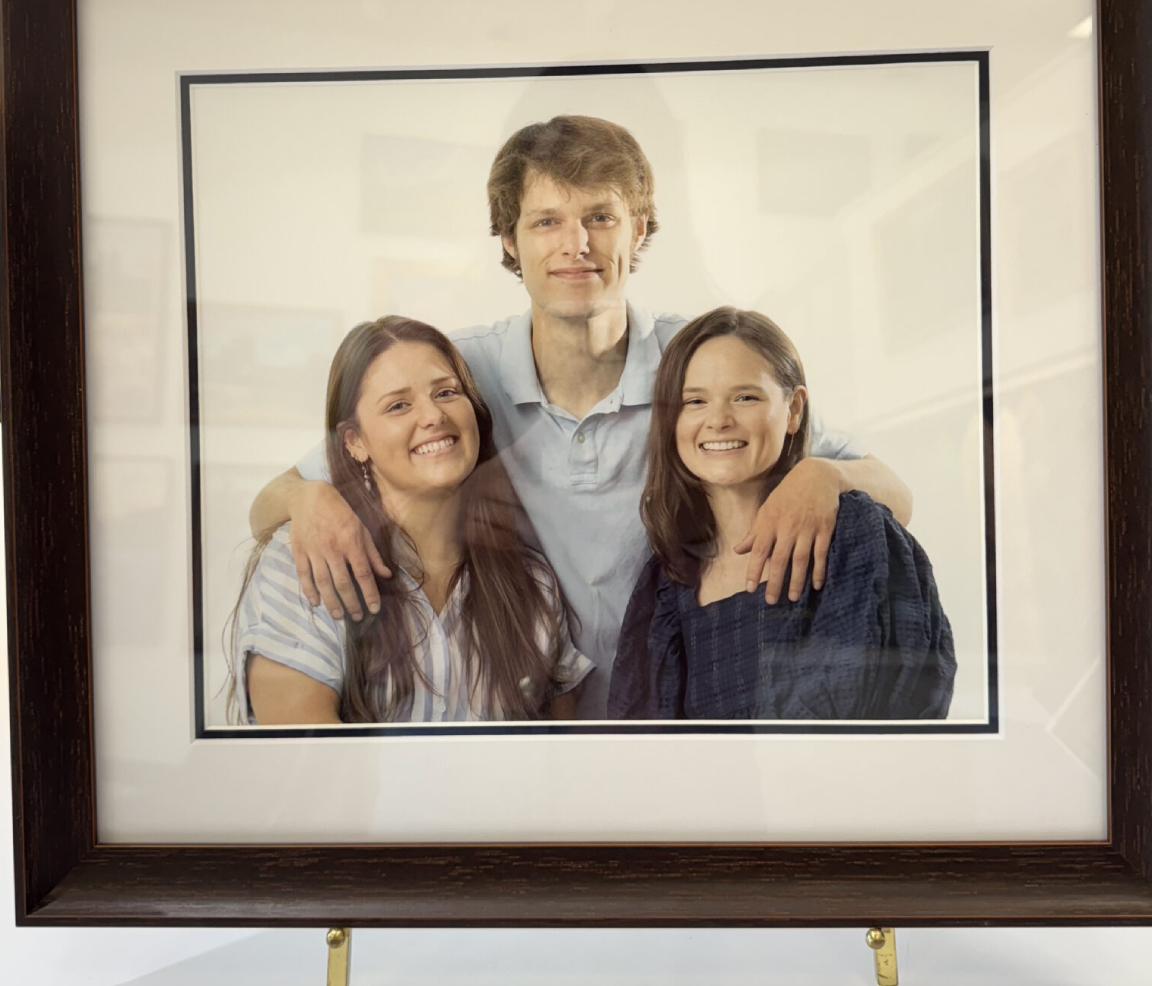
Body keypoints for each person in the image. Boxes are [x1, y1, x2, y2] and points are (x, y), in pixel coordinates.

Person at [248, 116, 914, 718]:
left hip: (680, 708)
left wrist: (823, 475)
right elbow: (267, 505)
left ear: (639, 229)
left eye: (600, 217)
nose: (577, 245)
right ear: (509, 241)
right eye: (546, 222)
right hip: (540, 714)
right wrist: (308, 498)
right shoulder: (457, 378)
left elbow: (895, 494)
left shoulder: (700, 365)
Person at [230, 316, 591, 725]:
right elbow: (303, 756)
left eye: (446, 392)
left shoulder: (532, 586)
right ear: (355, 442)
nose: (433, 415)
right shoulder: (302, 563)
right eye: (398, 405)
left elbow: (556, 755)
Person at [607, 309, 955, 720]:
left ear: (793, 410)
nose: (718, 420)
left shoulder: (855, 537)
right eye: (695, 401)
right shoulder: (663, 586)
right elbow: (640, 744)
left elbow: (907, 717)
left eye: (745, 397)